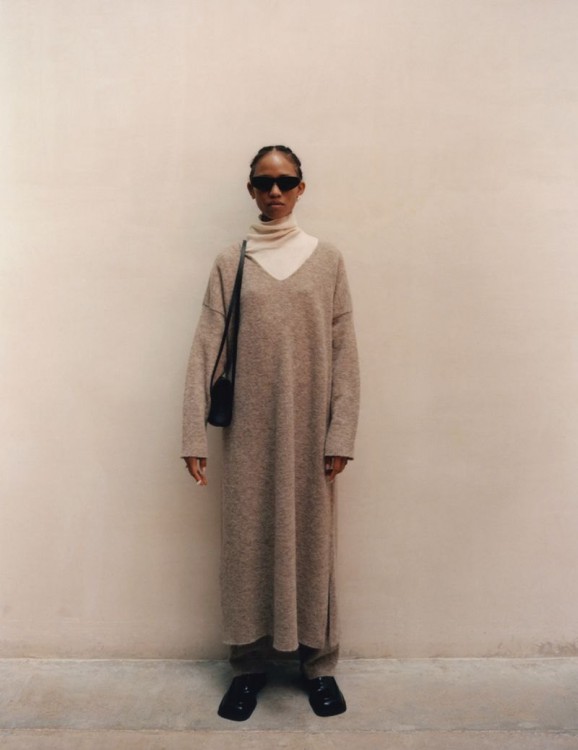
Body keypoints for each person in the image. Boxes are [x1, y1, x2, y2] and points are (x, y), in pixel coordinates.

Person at [181, 145, 360, 721]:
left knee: (313, 545)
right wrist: (192, 434)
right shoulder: (231, 262)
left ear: (301, 187)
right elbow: (206, 346)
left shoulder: (327, 260)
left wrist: (341, 433)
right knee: (247, 546)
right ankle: (248, 667)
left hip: (311, 433)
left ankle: (319, 665)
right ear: (251, 189)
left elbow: (344, 351)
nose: (274, 191)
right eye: (264, 182)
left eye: (285, 181)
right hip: (249, 432)